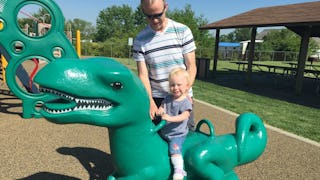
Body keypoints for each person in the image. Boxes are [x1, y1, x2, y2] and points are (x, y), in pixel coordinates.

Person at [133, 0, 197, 130]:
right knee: (157, 141)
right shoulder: (140, 40)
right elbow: (143, 75)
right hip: (157, 99)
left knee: (184, 138)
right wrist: (150, 101)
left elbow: (191, 66)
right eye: (149, 16)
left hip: (182, 96)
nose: (154, 20)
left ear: (165, 8)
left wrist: (183, 93)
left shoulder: (182, 31)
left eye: (158, 15)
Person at [157, 68, 192, 180]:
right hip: (165, 131)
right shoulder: (167, 98)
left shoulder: (185, 102)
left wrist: (170, 118)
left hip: (177, 134)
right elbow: (162, 106)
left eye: (179, 85)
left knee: (174, 150)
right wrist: (160, 110)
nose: (175, 88)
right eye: (172, 85)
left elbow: (185, 116)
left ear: (187, 86)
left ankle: (179, 170)